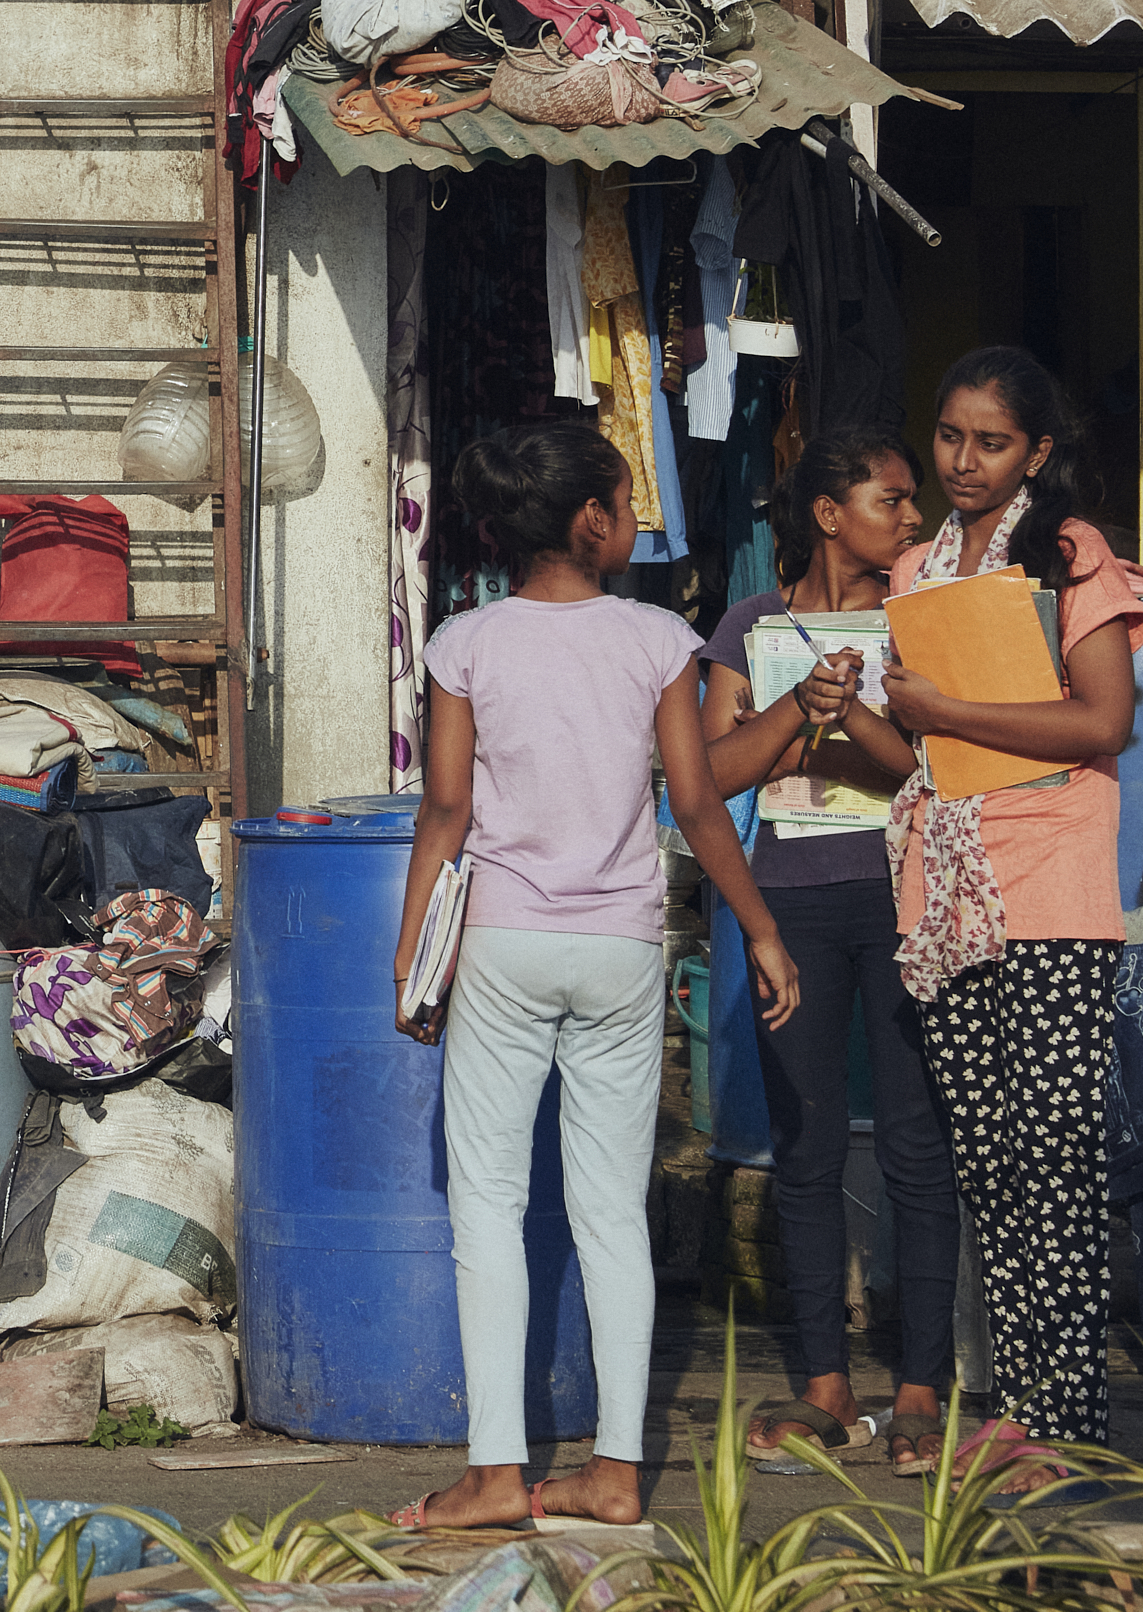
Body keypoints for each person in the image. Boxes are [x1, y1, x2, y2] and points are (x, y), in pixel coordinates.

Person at [393, 421, 801, 1533]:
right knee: (610, 1211)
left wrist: (407, 957)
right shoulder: (656, 638)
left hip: (504, 943)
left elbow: (444, 809)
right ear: (591, 520)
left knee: (486, 1204)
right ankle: (615, 1472)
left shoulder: (464, 643)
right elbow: (695, 803)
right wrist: (757, 929)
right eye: (627, 501)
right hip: (621, 946)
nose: (638, 520)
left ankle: (493, 1471)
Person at [874, 345, 1143, 1479]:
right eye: (947, 436)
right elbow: (925, 751)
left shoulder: (1072, 556)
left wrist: (943, 704)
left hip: (1046, 884)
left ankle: (1068, 1425)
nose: (960, 460)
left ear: (1035, 451)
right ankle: (1018, 1410)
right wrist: (860, 714)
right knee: (989, 1163)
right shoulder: (912, 572)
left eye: (988, 442)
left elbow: (1101, 724)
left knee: (1052, 1154)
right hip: (945, 887)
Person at [699, 431, 956, 1477]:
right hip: (789, 907)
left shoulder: (918, 623)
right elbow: (709, 774)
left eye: (911, 503)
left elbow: (935, 773)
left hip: (904, 904)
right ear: (824, 513)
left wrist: (848, 705)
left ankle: (918, 1390)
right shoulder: (749, 626)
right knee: (802, 1148)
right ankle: (821, 1388)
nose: (909, 517)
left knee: (914, 1146)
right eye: (889, 500)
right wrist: (791, 707)